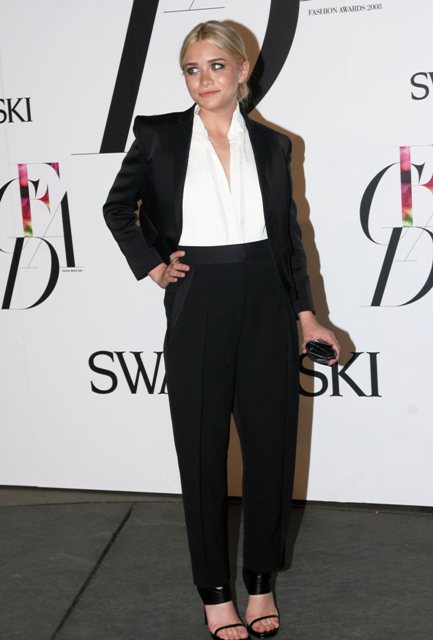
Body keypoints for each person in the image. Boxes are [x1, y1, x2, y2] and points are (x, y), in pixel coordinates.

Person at [103, 19, 340, 640]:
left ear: (241, 71)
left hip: (266, 298)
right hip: (198, 295)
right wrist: (153, 264)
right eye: (192, 68)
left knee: (270, 450)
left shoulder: (274, 145)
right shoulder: (158, 135)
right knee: (203, 452)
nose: (203, 79)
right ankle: (214, 593)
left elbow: (288, 240)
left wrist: (306, 314)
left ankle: (260, 583)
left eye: (215, 66)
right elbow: (117, 207)